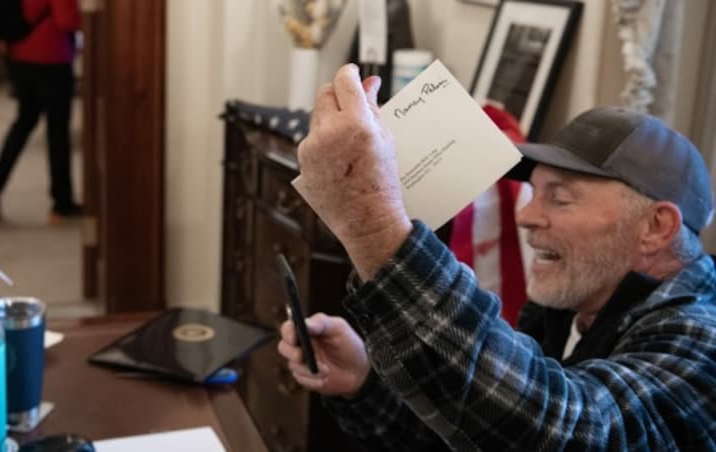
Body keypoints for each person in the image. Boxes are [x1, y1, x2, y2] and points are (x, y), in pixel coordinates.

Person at [277, 64, 716, 450]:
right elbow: (480, 433)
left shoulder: (701, 336)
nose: (526, 215)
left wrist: (373, 222)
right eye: (534, 194)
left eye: (559, 200)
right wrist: (366, 381)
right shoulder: (562, 314)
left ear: (656, 227)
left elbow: (567, 432)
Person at [0, 0, 82, 223]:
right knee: (57, 132)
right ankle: (61, 205)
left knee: (23, 122)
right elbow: (67, 21)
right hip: (53, 58)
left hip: (19, 57)